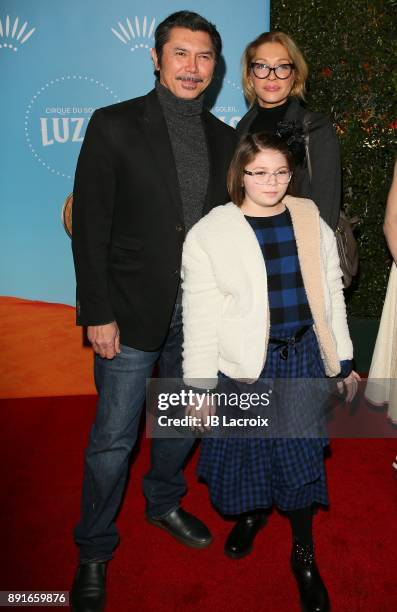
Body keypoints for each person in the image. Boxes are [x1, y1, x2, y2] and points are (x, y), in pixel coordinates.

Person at [70, 11, 236, 612]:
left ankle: (164, 500)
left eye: (204, 57)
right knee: (112, 439)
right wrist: (98, 310)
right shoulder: (114, 125)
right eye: (181, 54)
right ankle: (93, 548)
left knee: (183, 420)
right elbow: (90, 227)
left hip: (197, 318)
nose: (192, 68)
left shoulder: (225, 139)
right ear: (157, 58)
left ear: (215, 66)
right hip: (130, 312)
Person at [182, 133, 360, 612]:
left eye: (281, 171)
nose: (271, 182)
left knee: (298, 458)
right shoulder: (210, 233)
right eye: (258, 172)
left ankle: (303, 552)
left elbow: (330, 296)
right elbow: (199, 319)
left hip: (301, 358)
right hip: (243, 369)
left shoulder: (307, 219)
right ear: (239, 173)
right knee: (250, 455)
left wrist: (342, 360)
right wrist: (198, 390)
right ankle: (254, 515)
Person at [236, 31, 341, 230]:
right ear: (250, 75)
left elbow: (327, 209)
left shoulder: (316, 128)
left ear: (295, 75)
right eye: (262, 66)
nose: (272, 76)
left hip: (299, 244)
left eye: (282, 67)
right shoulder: (242, 128)